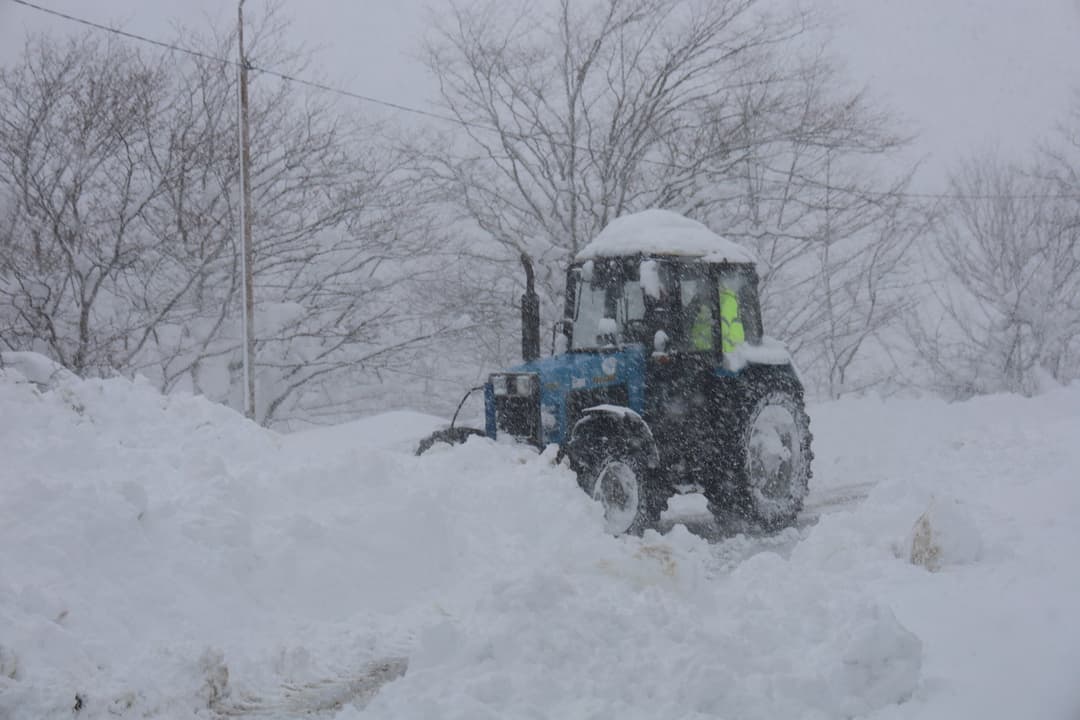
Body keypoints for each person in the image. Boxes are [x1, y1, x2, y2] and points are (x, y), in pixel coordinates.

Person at [719, 286, 745, 353]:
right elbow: (723, 327)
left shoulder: (726, 299)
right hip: (727, 349)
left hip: (730, 350)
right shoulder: (729, 300)